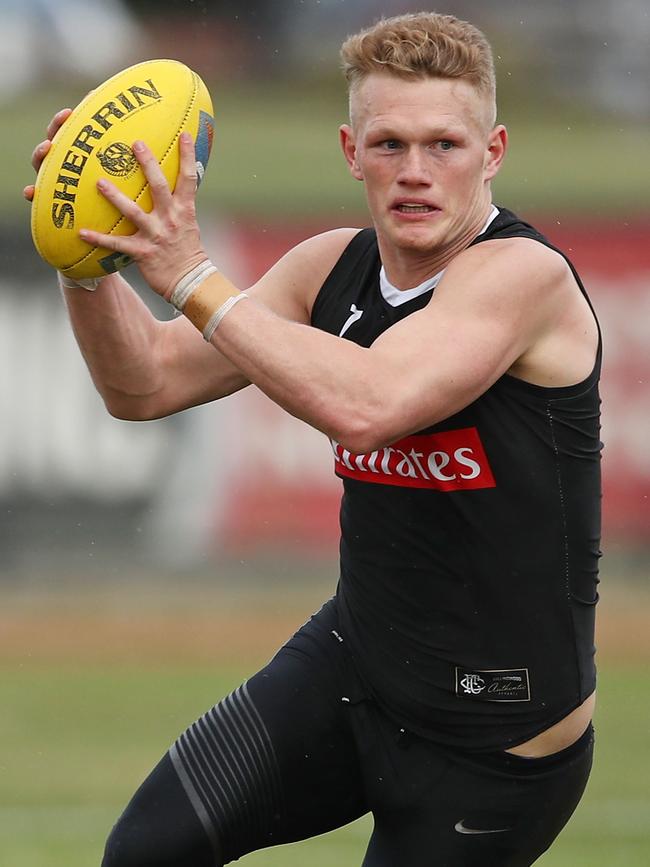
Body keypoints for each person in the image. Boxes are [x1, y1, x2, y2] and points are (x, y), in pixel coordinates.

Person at [25, 12, 602, 867]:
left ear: (494, 152)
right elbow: (141, 383)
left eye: (445, 145)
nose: (414, 172)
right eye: (388, 144)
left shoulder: (524, 277)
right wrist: (87, 257)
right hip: (353, 669)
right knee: (141, 853)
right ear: (348, 150)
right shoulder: (328, 268)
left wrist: (191, 273)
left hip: (496, 744)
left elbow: (369, 404)